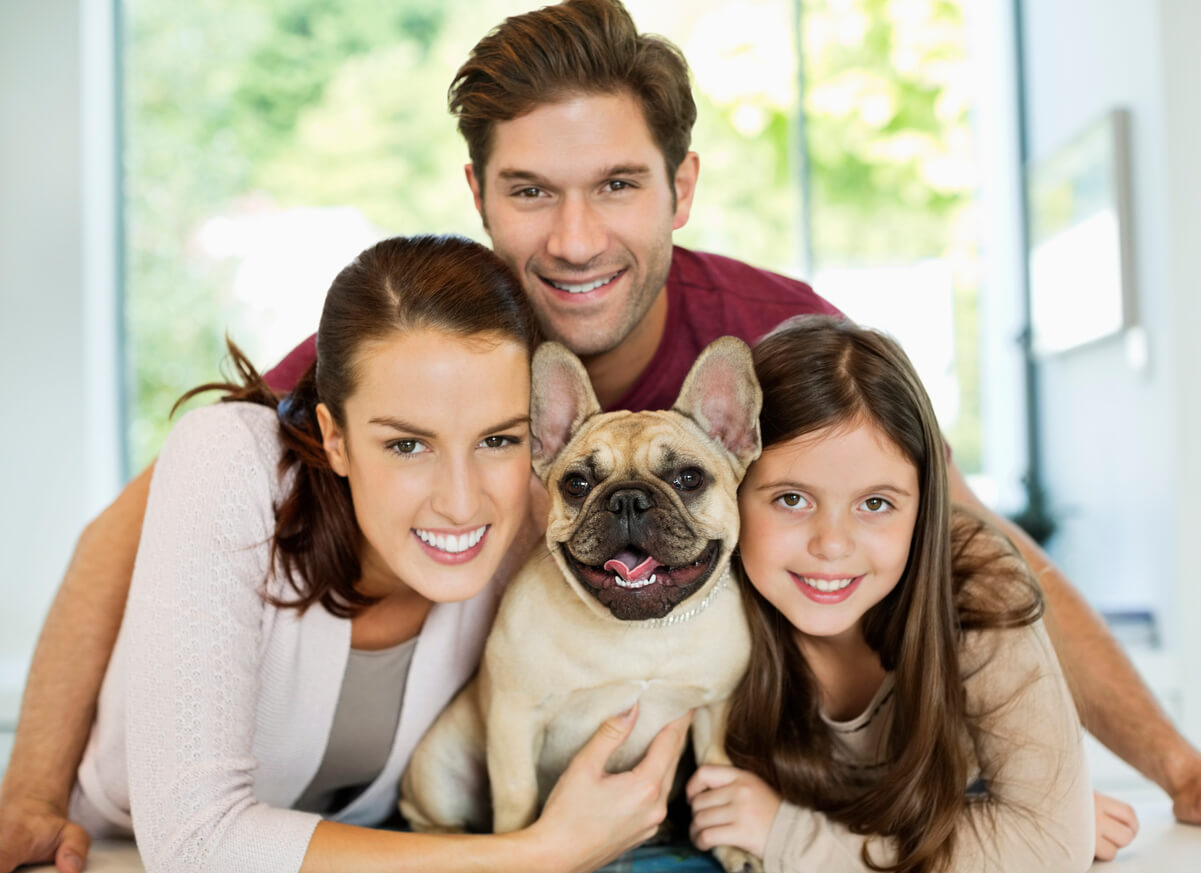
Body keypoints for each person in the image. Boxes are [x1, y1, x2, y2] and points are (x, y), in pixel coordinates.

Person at [1, 1, 1197, 870]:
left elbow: (964, 548)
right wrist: (31, 793)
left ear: (680, 189)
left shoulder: (773, 337)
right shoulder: (437, 345)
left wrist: (1168, 764)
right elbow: (142, 526)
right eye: (531, 191)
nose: (574, 239)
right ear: (478, 196)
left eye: (616, 186)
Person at [59, 234, 692, 873]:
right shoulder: (229, 460)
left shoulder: (544, 513)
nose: (460, 502)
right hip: (109, 854)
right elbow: (195, 842)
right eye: (407, 446)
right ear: (334, 437)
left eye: (497, 439)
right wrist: (538, 853)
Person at [687, 315, 1098, 872]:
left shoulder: (973, 588)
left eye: (875, 504)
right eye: (791, 499)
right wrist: (973, 830)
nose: (832, 545)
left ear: (923, 508)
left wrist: (788, 835)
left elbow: (1045, 846)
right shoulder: (696, 608)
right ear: (731, 490)